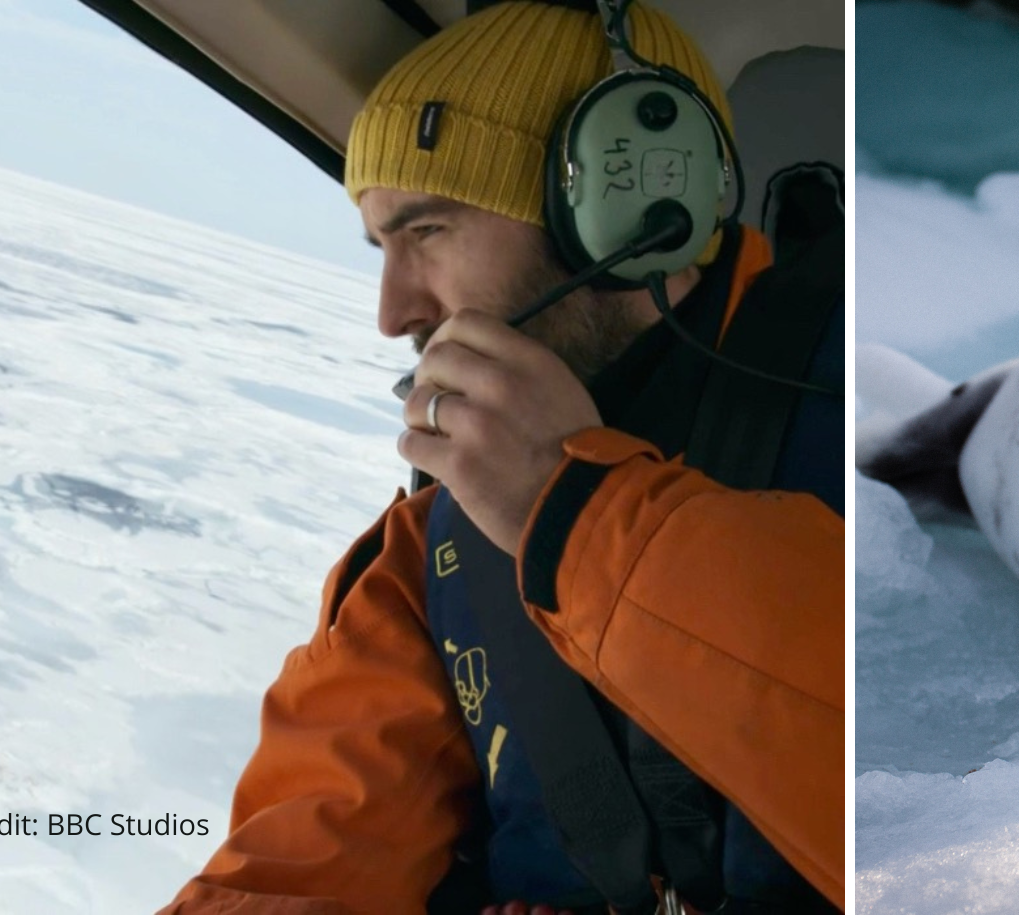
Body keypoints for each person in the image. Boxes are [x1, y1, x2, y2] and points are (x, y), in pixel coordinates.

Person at [157, 3, 844, 913]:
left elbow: (927, 778)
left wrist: (578, 515)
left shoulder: (872, 398)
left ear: (612, 208)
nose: (393, 311)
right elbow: (306, 860)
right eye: (382, 248)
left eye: (426, 232)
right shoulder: (429, 549)